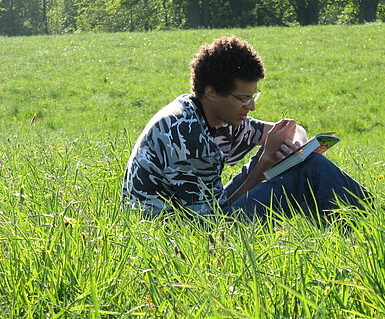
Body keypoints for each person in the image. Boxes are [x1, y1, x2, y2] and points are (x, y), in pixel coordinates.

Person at [122, 36, 371, 220]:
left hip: (201, 216)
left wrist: (294, 146)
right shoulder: (188, 137)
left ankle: (360, 227)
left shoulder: (216, 116)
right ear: (211, 93)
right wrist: (265, 163)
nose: (251, 107)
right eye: (243, 98)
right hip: (177, 236)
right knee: (309, 172)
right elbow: (214, 224)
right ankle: (370, 228)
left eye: (253, 96)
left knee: (304, 164)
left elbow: (290, 129)